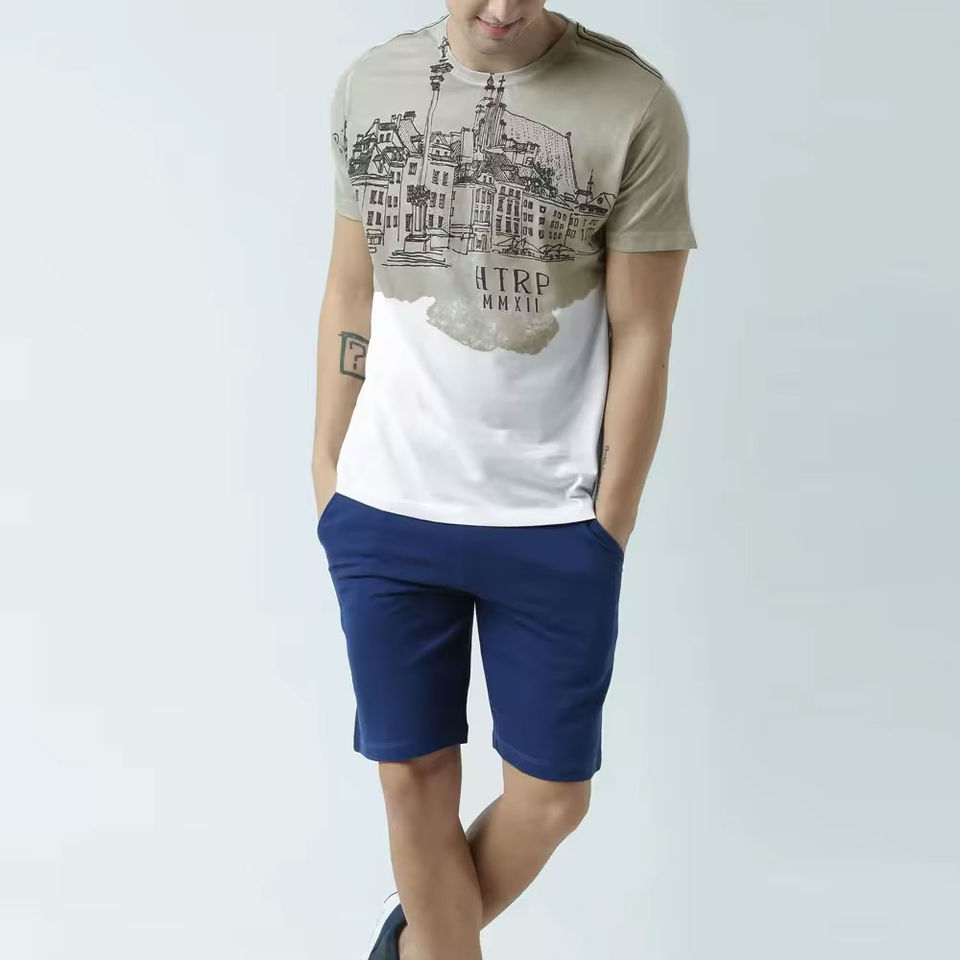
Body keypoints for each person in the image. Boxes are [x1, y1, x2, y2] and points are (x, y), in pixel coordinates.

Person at [312, 3, 696, 957]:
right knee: (413, 779)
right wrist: (328, 464)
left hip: (552, 519)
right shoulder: (372, 84)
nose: (498, 8)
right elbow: (351, 287)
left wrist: (611, 516)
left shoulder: (632, 102)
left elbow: (645, 332)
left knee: (554, 796)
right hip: (388, 502)